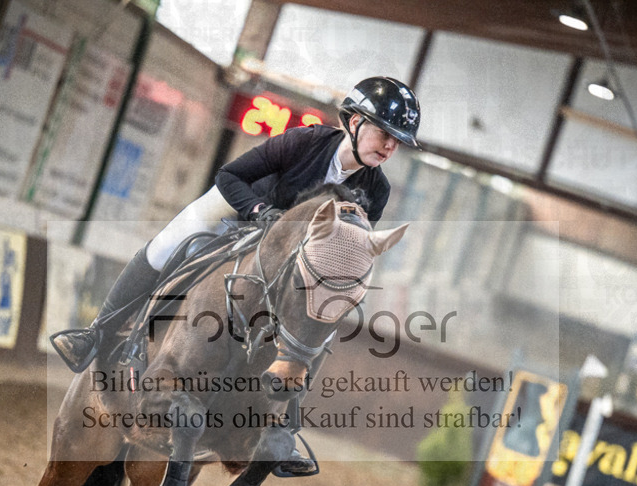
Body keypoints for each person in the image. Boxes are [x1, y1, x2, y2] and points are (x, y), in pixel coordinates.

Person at [51, 76, 421, 373]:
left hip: (289, 258)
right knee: (166, 246)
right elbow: (229, 177)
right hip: (238, 211)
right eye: (384, 134)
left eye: (398, 142)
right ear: (355, 123)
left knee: (319, 318)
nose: (390, 147)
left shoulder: (378, 189)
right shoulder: (303, 141)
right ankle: (94, 335)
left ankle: (283, 424)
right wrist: (260, 211)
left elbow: (348, 249)